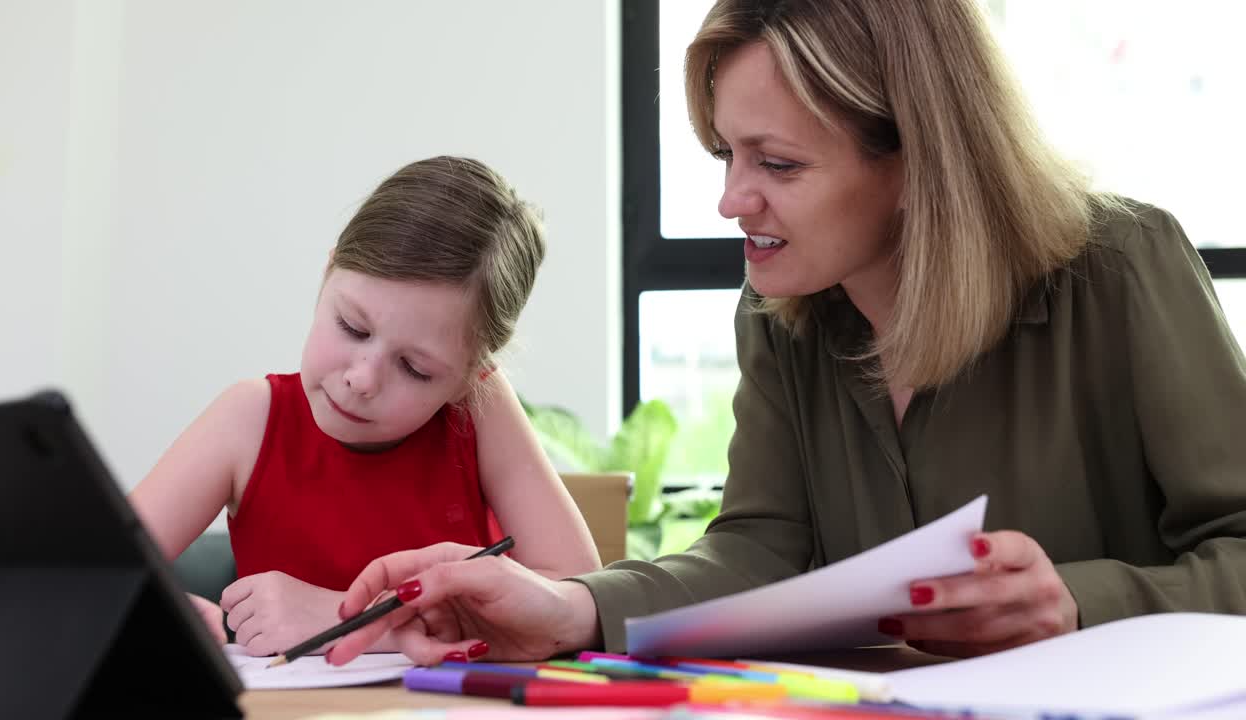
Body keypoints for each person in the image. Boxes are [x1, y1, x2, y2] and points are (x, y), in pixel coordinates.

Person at [325, 0, 1246, 667]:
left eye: (778, 163)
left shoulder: (1122, 268)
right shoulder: (784, 313)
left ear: (921, 159)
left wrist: (1079, 605)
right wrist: (566, 608)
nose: (732, 200)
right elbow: (757, 553)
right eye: (727, 152)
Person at [129, 156, 601, 658]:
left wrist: (337, 615)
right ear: (327, 274)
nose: (362, 379)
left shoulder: (477, 413)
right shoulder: (249, 418)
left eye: (415, 369)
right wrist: (160, 615)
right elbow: (87, 573)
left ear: (471, 378)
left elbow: (575, 599)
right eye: (352, 327)